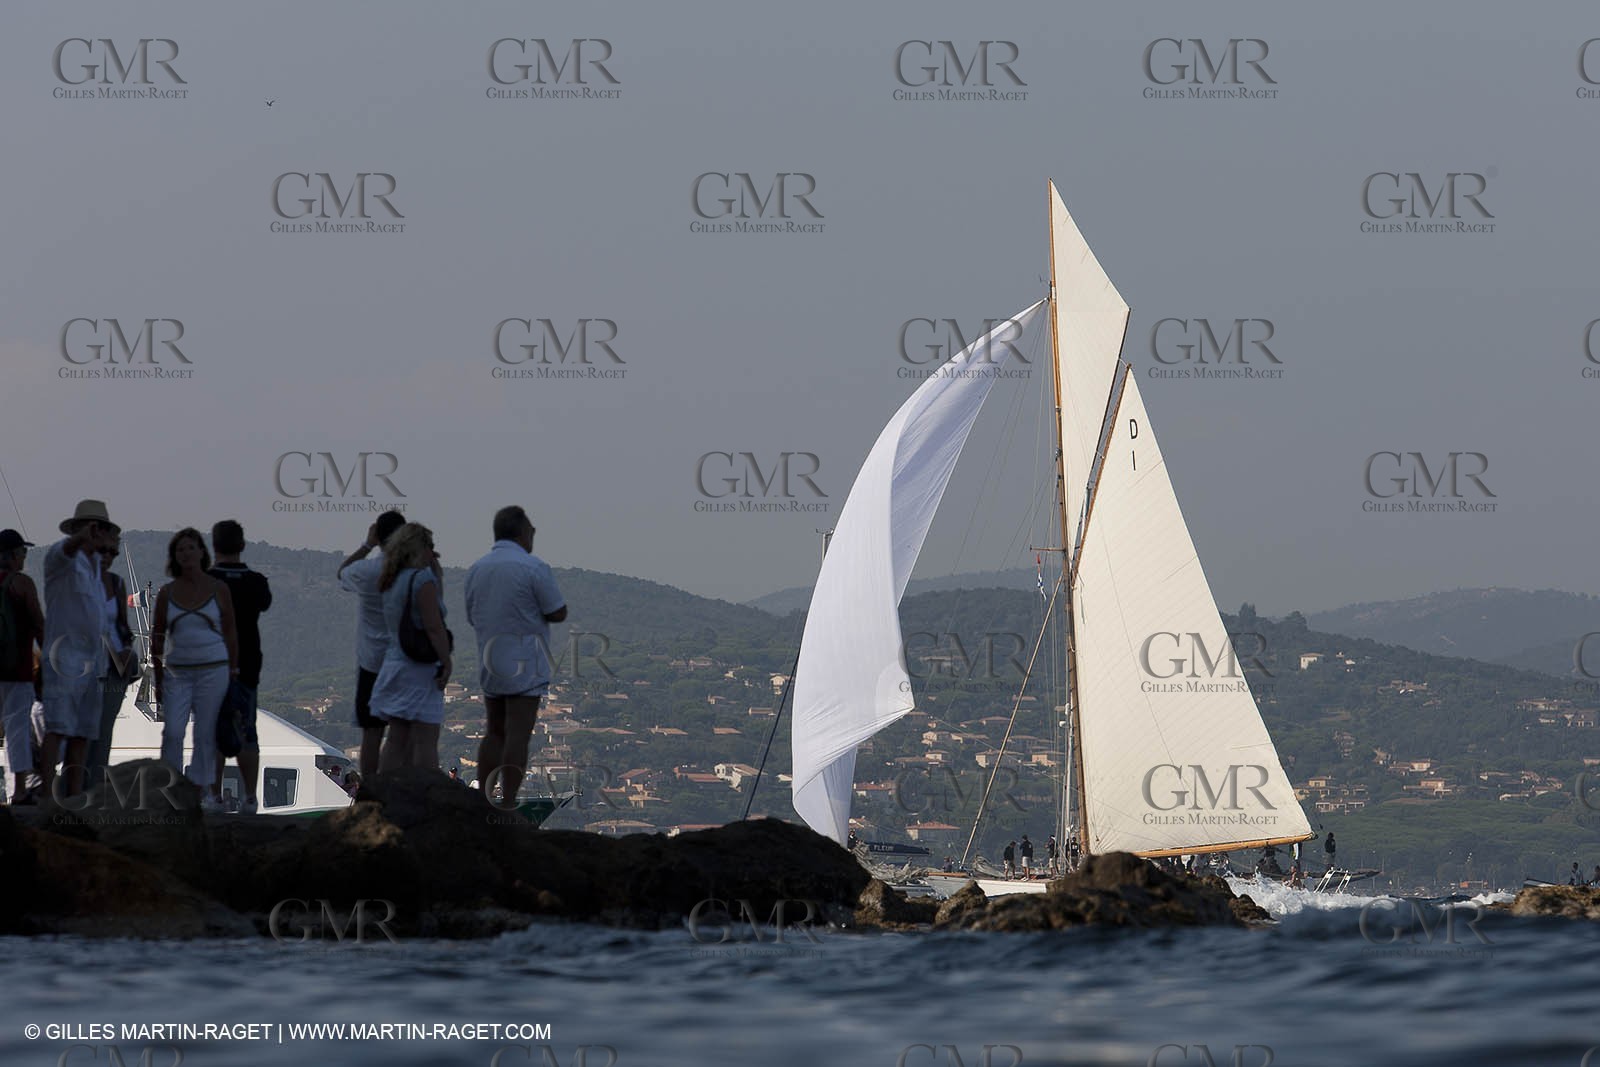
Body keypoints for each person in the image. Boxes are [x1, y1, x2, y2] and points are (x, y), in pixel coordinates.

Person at [464, 505, 567, 809]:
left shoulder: (477, 568)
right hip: (525, 662)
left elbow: (472, 616)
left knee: (494, 731)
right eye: (532, 530)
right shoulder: (534, 567)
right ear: (522, 532)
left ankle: (484, 797)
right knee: (518, 735)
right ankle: (507, 800)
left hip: (490, 659)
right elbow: (557, 611)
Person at [150, 528, 238, 810]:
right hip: (178, 671)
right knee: (173, 731)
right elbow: (158, 635)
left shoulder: (218, 589)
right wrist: (159, 676)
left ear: (202, 551)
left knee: (205, 731)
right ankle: (172, 788)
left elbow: (230, 632)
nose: (186, 554)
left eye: (191, 548)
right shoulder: (166, 593)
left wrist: (234, 670)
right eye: (180, 550)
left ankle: (201, 791)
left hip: (214, 669)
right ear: (174, 557)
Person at [40, 501, 120, 800]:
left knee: (83, 732)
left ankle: (73, 796)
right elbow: (65, 551)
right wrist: (81, 538)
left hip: (93, 661)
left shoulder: (96, 569)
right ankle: (48, 795)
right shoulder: (60, 559)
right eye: (90, 527)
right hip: (65, 657)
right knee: (58, 726)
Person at [372, 523, 451, 771]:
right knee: (426, 738)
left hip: (394, 664)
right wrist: (446, 662)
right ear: (420, 548)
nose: (433, 552)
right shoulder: (421, 580)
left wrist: (435, 574)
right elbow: (434, 627)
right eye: (430, 546)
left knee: (397, 737)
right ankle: (426, 798)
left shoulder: (391, 580)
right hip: (419, 668)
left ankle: (385, 793)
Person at [208, 520, 272, 814]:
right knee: (248, 729)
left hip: (212, 662)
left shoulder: (206, 582)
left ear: (214, 545)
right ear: (242, 545)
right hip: (247, 663)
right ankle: (249, 797)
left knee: (214, 729)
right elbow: (263, 604)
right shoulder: (256, 582)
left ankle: (215, 795)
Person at [337, 511, 407, 778]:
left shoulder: (365, 571)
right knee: (401, 731)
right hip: (403, 660)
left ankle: (369, 789)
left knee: (371, 732)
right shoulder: (411, 573)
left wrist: (366, 545)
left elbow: (342, 572)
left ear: (378, 535)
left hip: (371, 662)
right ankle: (397, 785)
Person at [84, 540, 138, 790]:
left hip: (115, 669)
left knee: (105, 730)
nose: (106, 557)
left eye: (110, 552)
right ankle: (80, 784)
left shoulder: (116, 583)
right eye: (100, 551)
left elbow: (123, 628)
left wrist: (127, 649)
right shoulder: (79, 585)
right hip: (87, 667)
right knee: (85, 729)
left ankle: (95, 785)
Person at [0, 529, 44, 804]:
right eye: (23, 552)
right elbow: (39, 623)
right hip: (17, 671)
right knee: (17, 730)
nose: (25, 557)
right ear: (13, 555)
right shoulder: (22, 584)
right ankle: (19, 791)